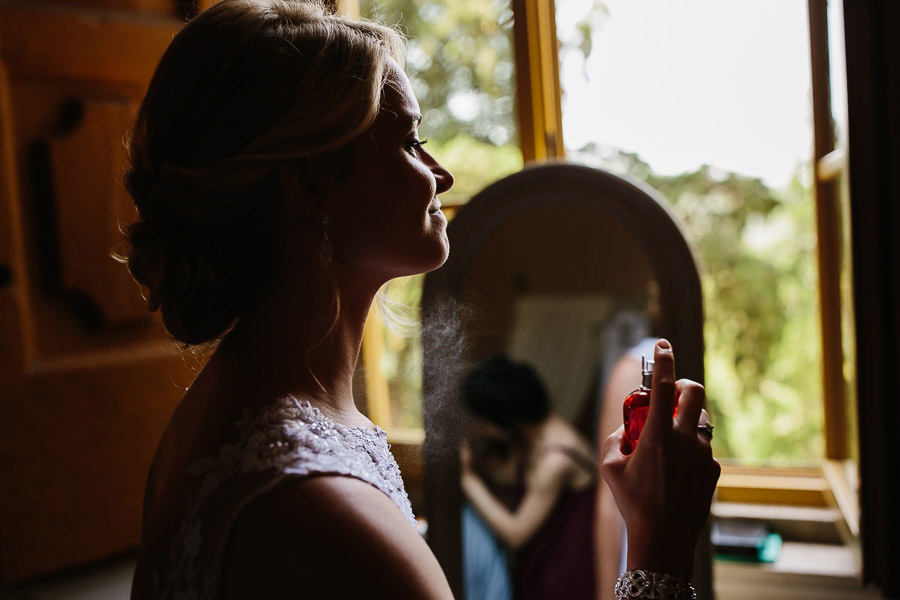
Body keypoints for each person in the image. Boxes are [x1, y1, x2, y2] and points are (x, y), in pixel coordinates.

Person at [121, 0, 720, 598]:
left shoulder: (222, 417)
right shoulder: (328, 513)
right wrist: (659, 546)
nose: (442, 175)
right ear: (310, 186)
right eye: (410, 141)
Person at [459, 357, 598, 599]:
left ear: (499, 421)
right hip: (547, 572)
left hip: (563, 581)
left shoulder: (555, 460)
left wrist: (468, 479)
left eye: (478, 421)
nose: (475, 427)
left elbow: (516, 535)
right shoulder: (537, 439)